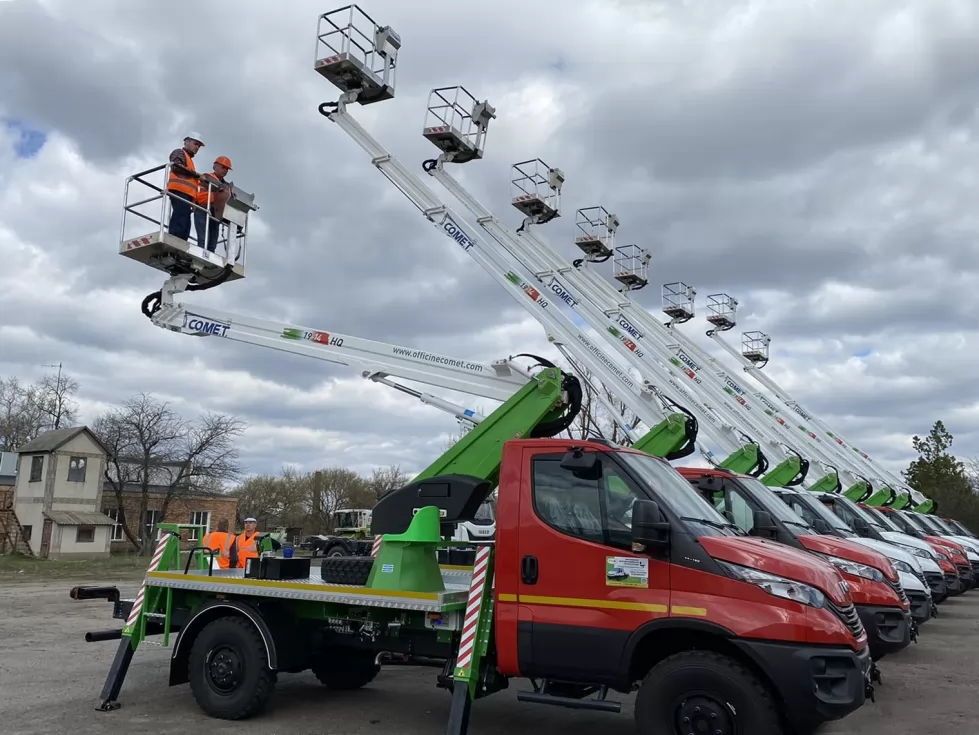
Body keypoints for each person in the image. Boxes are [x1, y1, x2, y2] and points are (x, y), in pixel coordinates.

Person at [166, 133, 205, 241]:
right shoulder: (179, 152)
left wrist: (193, 201)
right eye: (195, 144)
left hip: (187, 195)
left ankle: (181, 243)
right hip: (179, 191)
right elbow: (176, 166)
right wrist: (196, 174)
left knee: (186, 222)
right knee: (180, 218)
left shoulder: (189, 159)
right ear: (186, 142)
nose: (197, 147)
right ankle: (174, 241)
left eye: (199, 146)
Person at [194, 155, 234, 253]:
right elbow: (215, 184)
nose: (225, 170)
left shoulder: (226, 185)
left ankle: (210, 253)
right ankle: (201, 252)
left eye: (227, 169)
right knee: (202, 235)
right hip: (203, 207)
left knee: (213, 236)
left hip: (216, 210)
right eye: (223, 167)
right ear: (215, 166)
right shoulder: (207, 176)